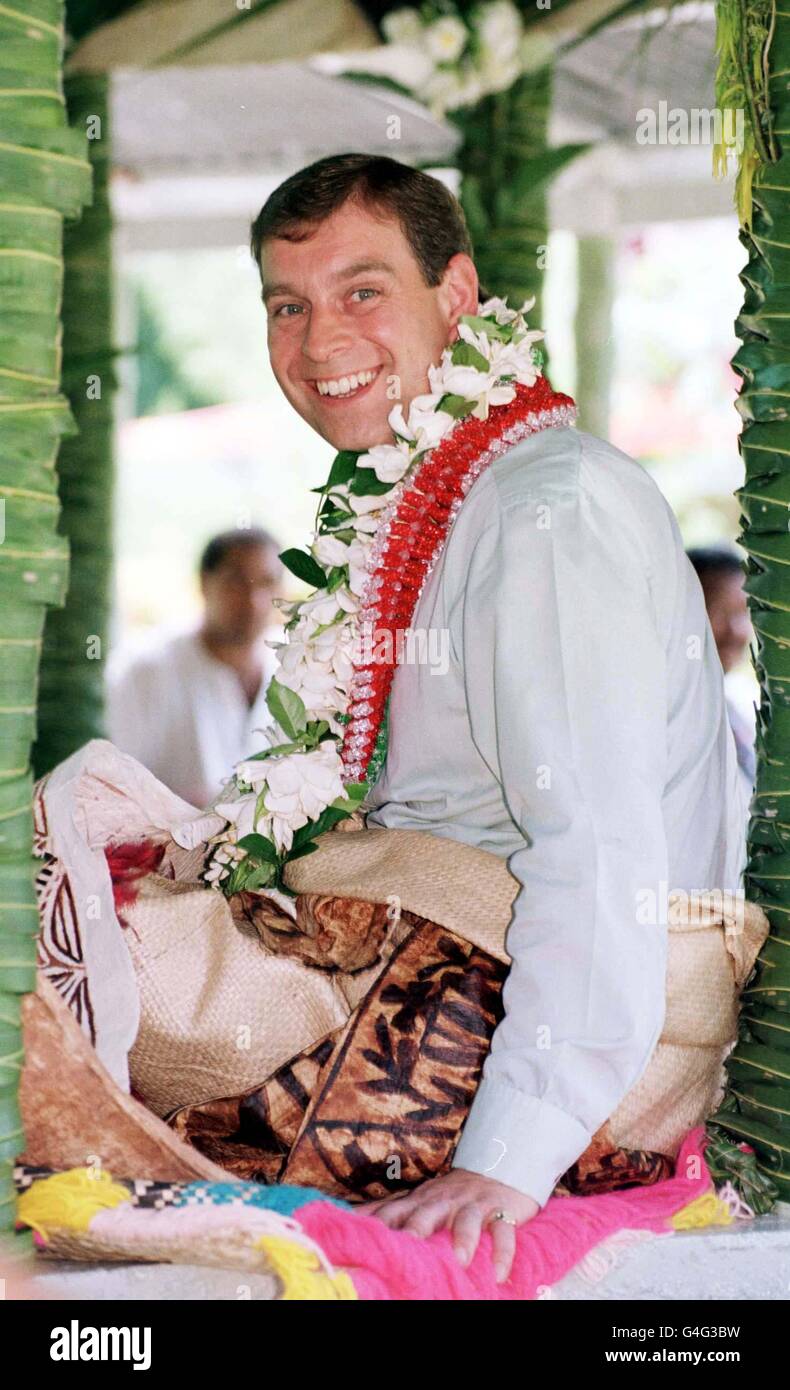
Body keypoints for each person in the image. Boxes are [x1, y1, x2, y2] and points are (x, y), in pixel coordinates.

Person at [241, 153, 747, 1278]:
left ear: (458, 295)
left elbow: (599, 849)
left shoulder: (542, 512)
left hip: (525, 1048)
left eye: (362, 290)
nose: (321, 342)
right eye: (289, 304)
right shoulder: (443, 493)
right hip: (439, 983)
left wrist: (507, 1160)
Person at [107, 527, 282, 809]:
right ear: (204, 582)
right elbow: (115, 789)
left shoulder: (296, 670)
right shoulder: (146, 670)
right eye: (236, 582)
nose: (253, 600)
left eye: (267, 583)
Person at [688, 546, 756, 790]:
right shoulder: (666, 714)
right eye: (718, 611)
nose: (735, 631)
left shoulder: (741, 704)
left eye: (742, 613)